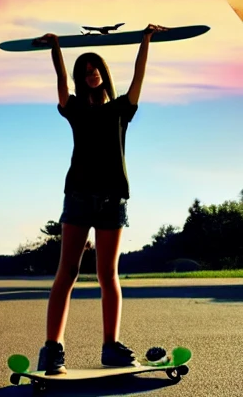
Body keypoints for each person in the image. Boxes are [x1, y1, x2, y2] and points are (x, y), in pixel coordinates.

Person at [35, 24, 168, 375]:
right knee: (68, 272)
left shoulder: (122, 109)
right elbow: (61, 86)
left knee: (108, 275)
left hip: (113, 201)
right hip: (78, 197)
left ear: (103, 74)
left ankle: (110, 346)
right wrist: (56, 50)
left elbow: (140, 77)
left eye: (95, 69)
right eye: (85, 71)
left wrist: (146, 42)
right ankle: (52, 350)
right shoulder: (75, 109)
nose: (90, 73)